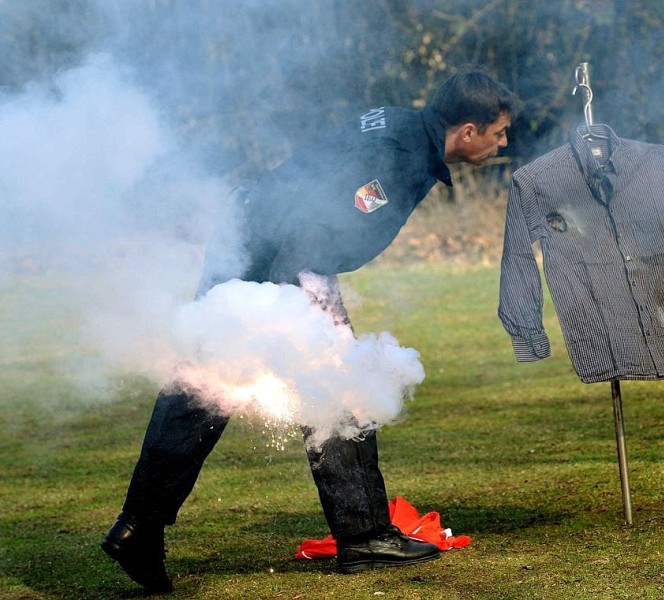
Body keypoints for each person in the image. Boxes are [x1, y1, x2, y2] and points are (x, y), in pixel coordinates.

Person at [101, 68, 514, 593]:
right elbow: (320, 222)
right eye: (499, 132)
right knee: (340, 382)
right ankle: (363, 535)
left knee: (201, 387)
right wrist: (307, 303)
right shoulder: (404, 155)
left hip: (251, 230)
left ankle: (137, 526)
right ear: (469, 131)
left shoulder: (399, 124)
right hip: (288, 251)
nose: (504, 142)